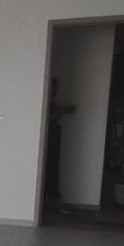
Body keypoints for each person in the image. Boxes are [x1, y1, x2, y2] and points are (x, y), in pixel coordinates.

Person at [46, 78, 76, 211]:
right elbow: (47, 120)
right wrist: (61, 111)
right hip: (49, 142)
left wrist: (64, 111)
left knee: (53, 170)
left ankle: (52, 202)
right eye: (54, 88)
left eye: (57, 88)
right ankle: (53, 203)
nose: (56, 91)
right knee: (51, 170)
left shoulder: (52, 103)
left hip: (54, 140)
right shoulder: (45, 103)